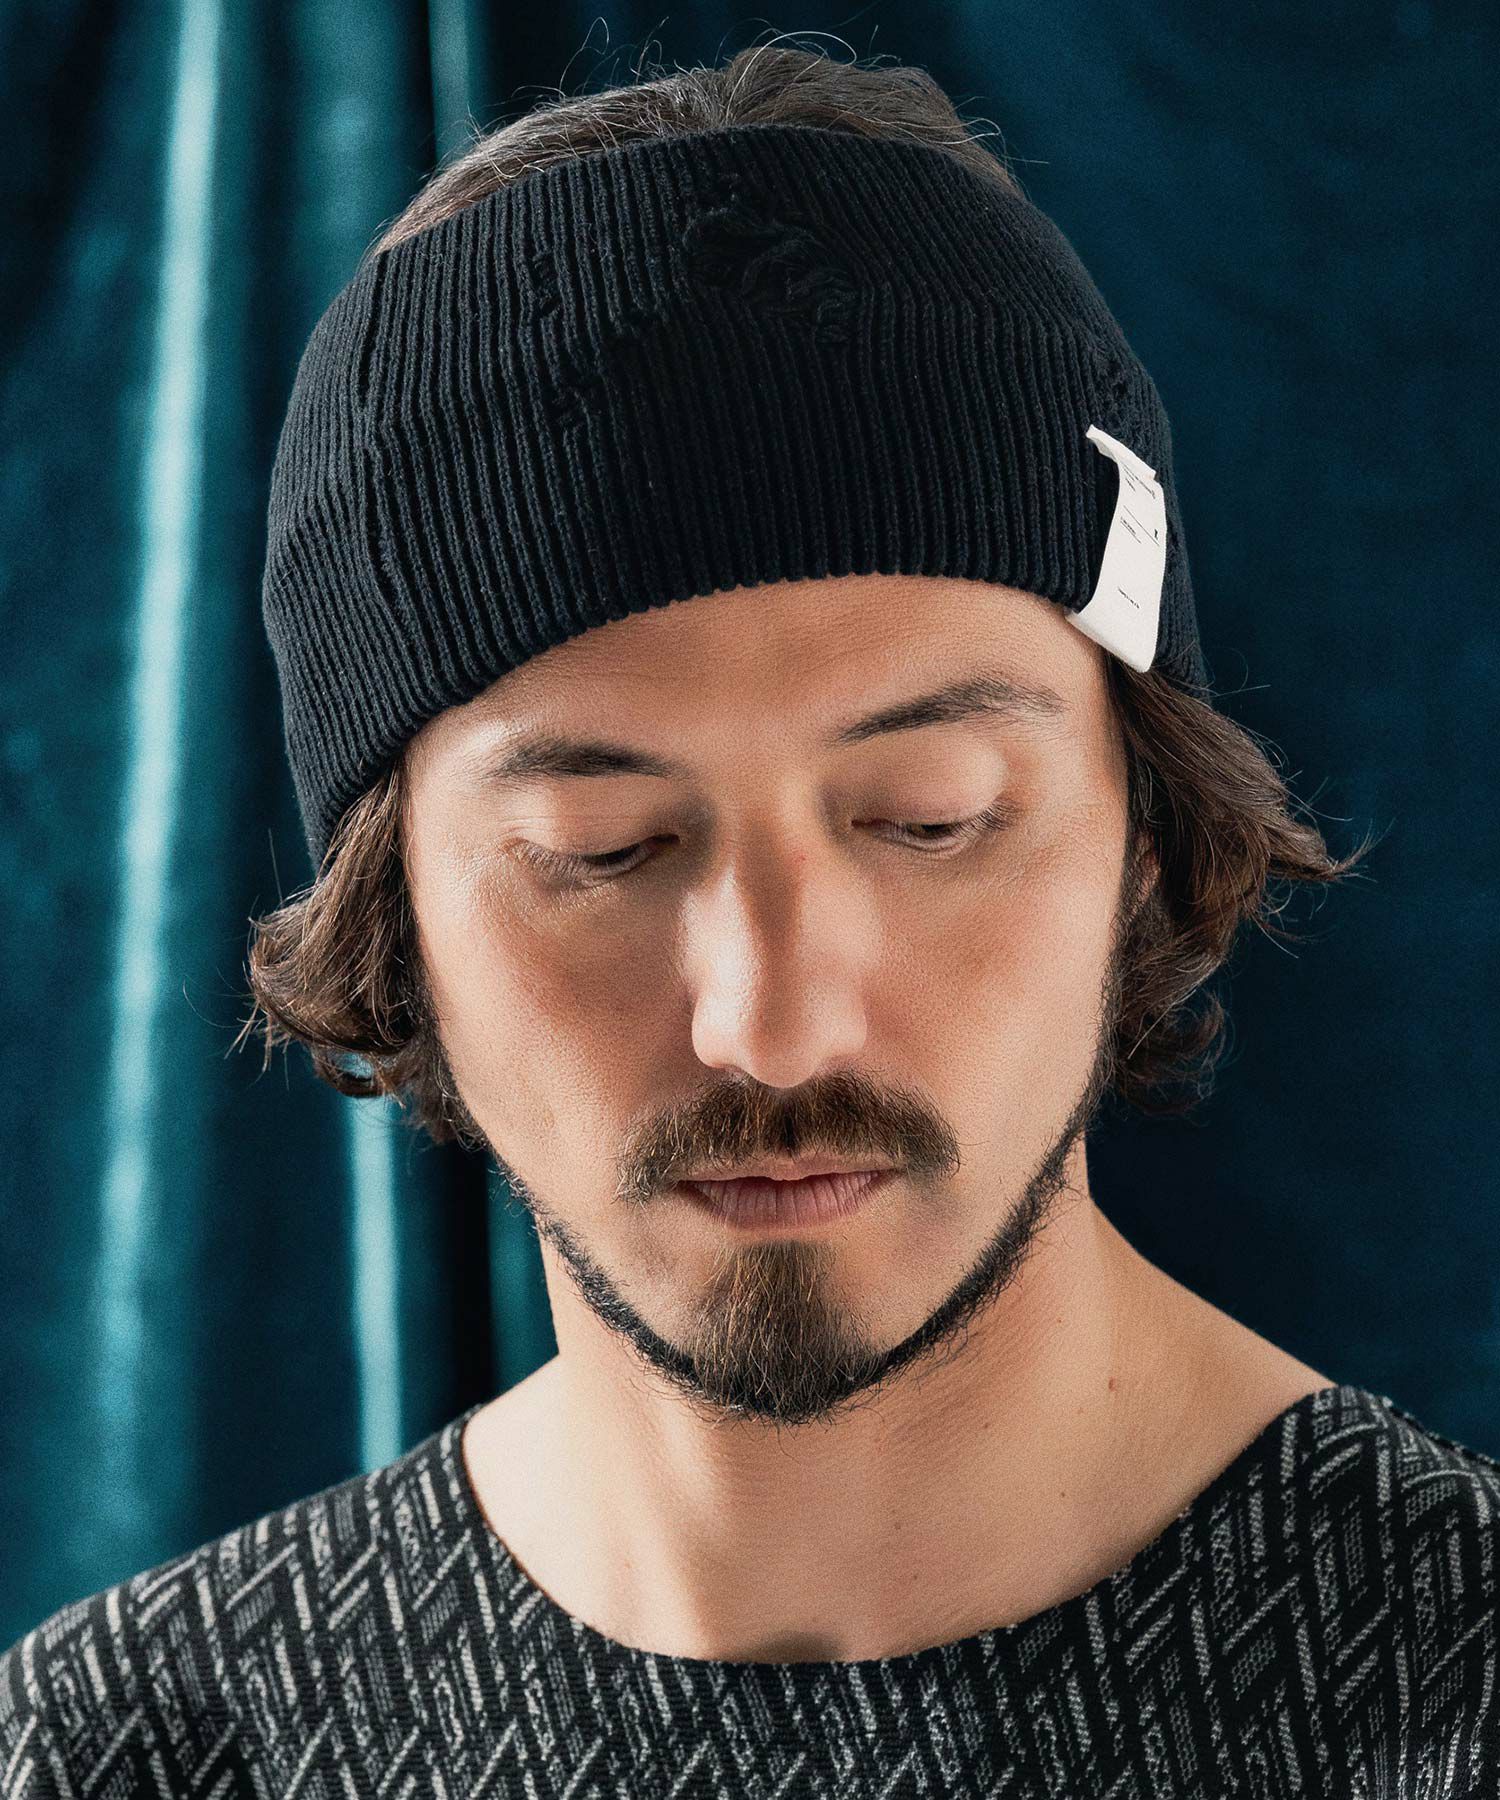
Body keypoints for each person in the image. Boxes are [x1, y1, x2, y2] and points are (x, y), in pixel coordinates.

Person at [5, 41, 1497, 1800]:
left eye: (929, 819)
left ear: (1150, 841)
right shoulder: (124, 1755)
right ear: (391, 925)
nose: (774, 1025)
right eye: (603, 849)